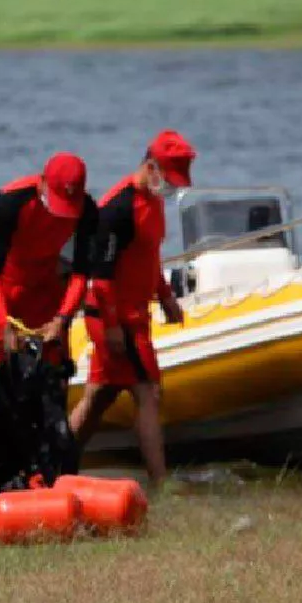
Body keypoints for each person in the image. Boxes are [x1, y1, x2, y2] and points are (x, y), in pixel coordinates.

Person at [0, 152, 98, 498]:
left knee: (51, 380)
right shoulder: (12, 201)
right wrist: (5, 324)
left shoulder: (88, 211)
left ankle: (50, 476)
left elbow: (81, 273)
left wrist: (62, 320)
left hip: (45, 295)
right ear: (43, 185)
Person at [68, 130, 197, 490]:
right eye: (169, 180)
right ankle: (160, 482)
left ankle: (56, 464)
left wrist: (166, 297)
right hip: (113, 316)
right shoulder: (117, 208)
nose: (172, 189)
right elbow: (102, 276)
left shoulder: (152, 203)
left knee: (100, 395)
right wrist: (111, 328)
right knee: (148, 392)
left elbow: (148, 258)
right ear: (151, 167)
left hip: (135, 315)